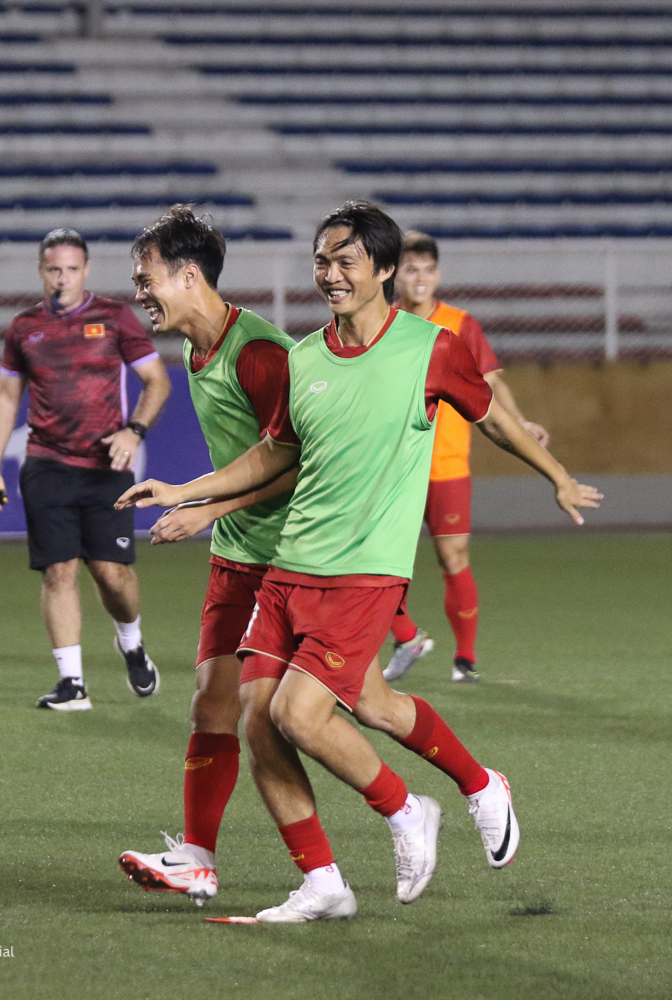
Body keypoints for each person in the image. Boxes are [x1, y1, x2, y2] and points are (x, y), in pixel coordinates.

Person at [118, 201, 601, 922]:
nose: (330, 274)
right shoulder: (306, 355)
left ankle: (407, 811)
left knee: (294, 714)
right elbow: (277, 451)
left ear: (382, 271)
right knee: (284, 717)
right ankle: (338, 872)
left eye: (345, 261)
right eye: (321, 260)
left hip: (363, 568)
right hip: (289, 566)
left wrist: (555, 473)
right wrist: (187, 490)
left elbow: (491, 415)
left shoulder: (425, 348)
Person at [112, 207, 297, 904]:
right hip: (237, 552)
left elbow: (297, 465)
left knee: (302, 719)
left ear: (188, 277)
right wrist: (207, 510)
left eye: (145, 276)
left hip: (294, 558)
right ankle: (197, 858)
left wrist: (205, 509)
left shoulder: (260, 353)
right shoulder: (194, 349)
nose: (138, 290)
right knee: (211, 707)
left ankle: (440, 794)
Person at [0, 228, 171, 710]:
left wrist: (134, 432)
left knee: (112, 575)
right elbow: (6, 397)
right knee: (58, 572)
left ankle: (131, 643)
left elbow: (157, 381)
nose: (61, 278)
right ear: (41, 272)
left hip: (105, 465)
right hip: (45, 464)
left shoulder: (114, 318)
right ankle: (72, 683)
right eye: (53, 270)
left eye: (70, 269)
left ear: (85, 271)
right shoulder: (24, 328)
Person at [385, 230, 551, 684]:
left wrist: (520, 422)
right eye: (410, 269)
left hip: (446, 465)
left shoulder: (460, 324)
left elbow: (492, 382)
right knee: (375, 562)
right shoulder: (383, 321)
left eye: (427, 270)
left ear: (438, 275)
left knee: (453, 557)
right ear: (396, 275)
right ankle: (406, 637)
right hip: (393, 467)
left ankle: (465, 658)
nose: (419, 278)